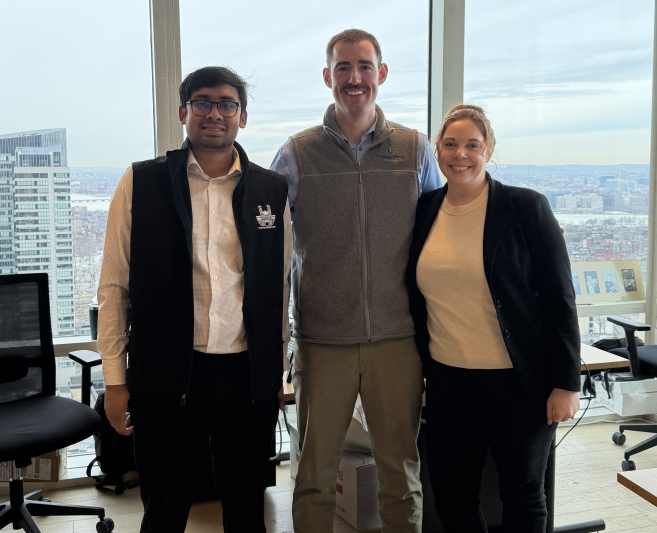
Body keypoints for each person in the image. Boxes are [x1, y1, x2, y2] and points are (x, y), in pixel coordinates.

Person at [98, 66, 292, 532]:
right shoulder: (141, 183)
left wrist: (275, 373)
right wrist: (114, 380)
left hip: (245, 376)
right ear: (184, 112)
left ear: (242, 117)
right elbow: (113, 287)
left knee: (247, 507)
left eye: (227, 104)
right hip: (167, 373)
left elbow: (279, 284)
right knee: (165, 507)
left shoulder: (271, 189)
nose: (214, 113)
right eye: (202, 102)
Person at [270, 28, 442, 533]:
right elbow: (271, 248)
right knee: (316, 474)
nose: (354, 78)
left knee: (400, 472)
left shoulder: (415, 150)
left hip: (397, 338)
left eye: (364, 66)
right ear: (328, 77)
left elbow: (441, 227)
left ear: (381, 74)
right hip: (324, 339)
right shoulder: (296, 154)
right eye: (343, 68)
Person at [406, 104, 581, 533]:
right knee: (451, 493)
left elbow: (560, 298)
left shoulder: (525, 208)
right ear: (437, 150)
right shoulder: (426, 209)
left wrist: (566, 382)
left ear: (489, 151)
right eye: (450, 144)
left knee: (521, 493)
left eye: (472, 145)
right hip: (450, 381)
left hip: (519, 382)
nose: (459, 154)